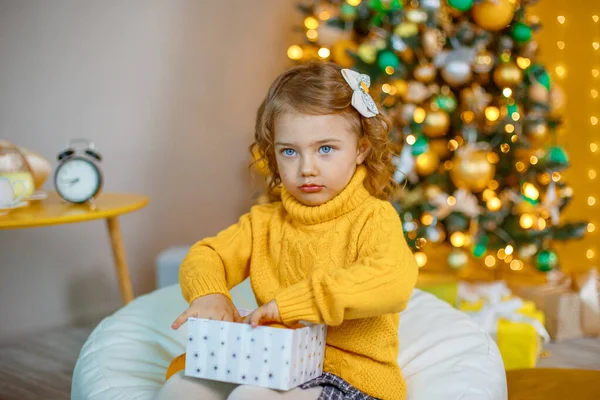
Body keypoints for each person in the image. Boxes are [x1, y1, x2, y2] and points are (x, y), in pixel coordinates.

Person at [156, 61, 418, 400]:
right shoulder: (263, 222)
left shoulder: (374, 218)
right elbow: (207, 255)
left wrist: (293, 305)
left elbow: (392, 281)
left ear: (361, 150)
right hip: (273, 360)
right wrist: (211, 293)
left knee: (251, 397)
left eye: (326, 149)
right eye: (290, 152)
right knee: (181, 388)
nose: (306, 168)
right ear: (273, 154)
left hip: (347, 375)